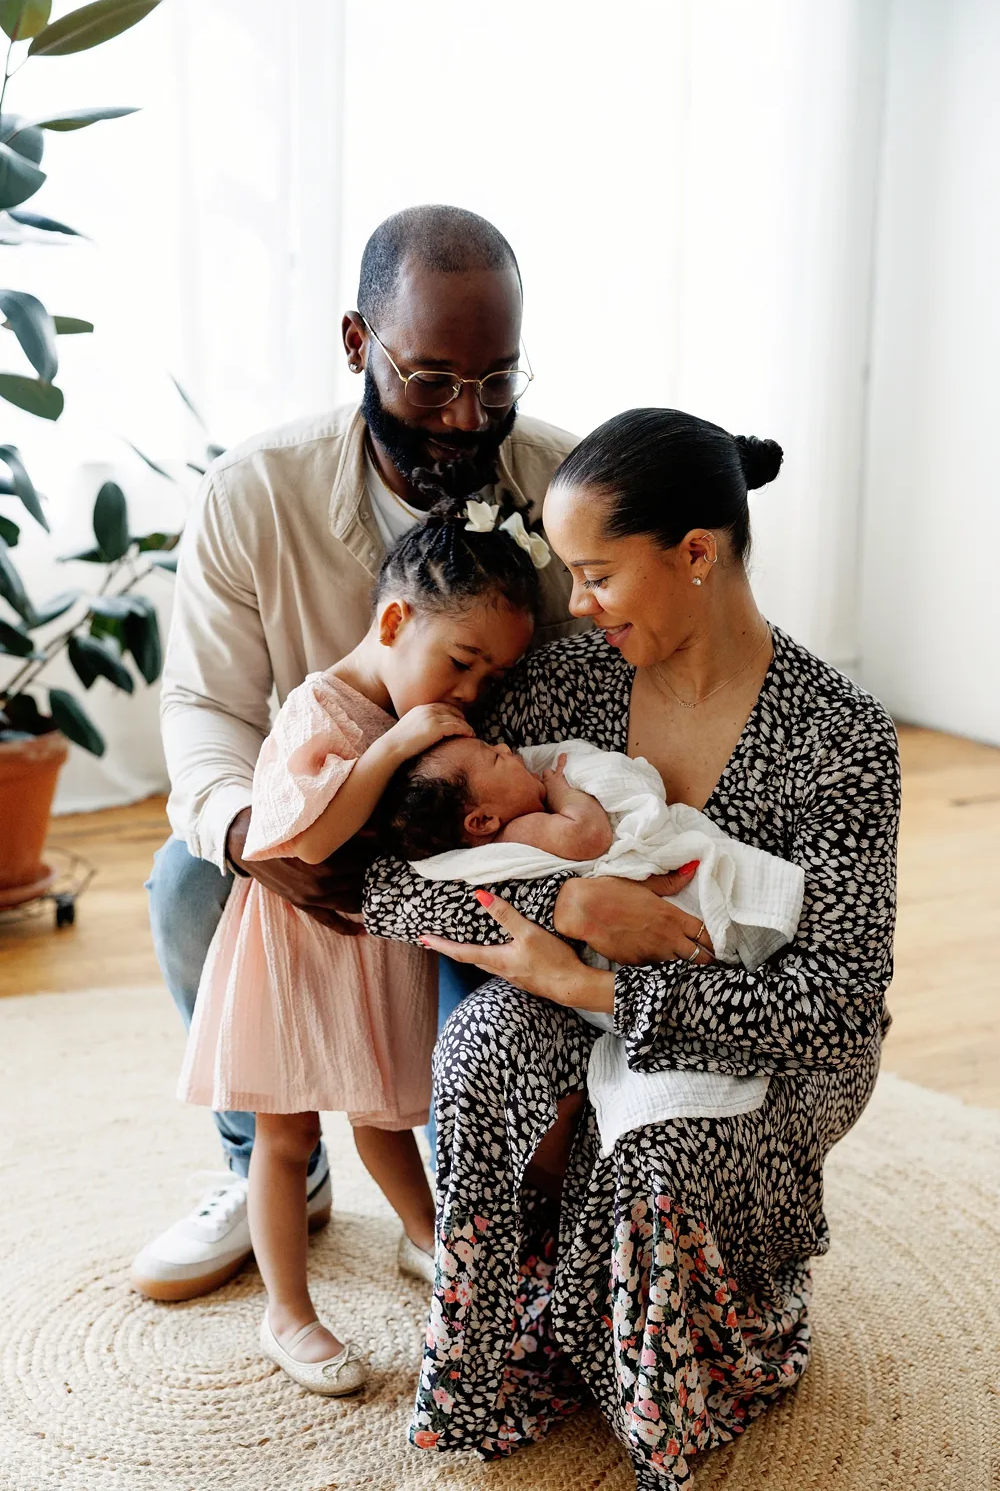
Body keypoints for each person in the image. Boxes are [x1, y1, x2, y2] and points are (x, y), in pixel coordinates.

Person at [363, 407, 901, 1490]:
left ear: (695, 552)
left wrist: (610, 991)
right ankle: (488, 1359)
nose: (575, 604)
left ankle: (672, 1374)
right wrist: (574, 908)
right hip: (579, 980)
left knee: (656, 1153)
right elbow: (394, 883)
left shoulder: (841, 738)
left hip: (763, 1031)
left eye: (597, 575)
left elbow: (840, 1004)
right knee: (477, 1058)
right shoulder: (572, 681)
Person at [133, 204, 583, 1303]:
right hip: (313, 818)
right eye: (432, 380)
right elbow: (202, 703)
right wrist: (253, 835)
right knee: (187, 884)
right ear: (356, 343)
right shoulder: (256, 491)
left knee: (489, 1007)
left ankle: (478, 1202)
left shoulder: (562, 483)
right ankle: (268, 1166)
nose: (468, 416)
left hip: (486, 829)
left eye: (497, 381)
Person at [176, 504, 542, 1393]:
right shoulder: (322, 708)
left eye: (492, 676)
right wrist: (400, 745)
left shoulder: (420, 715)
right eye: (462, 661)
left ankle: (428, 1235)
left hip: (372, 952)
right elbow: (305, 838)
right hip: (295, 955)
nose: (471, 692)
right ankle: (288, 1311)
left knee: (384, 1112)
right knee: (287, 1132)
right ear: (393, 622)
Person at [381, 738, 614, 858]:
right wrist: (561, 792)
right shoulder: (515, 833)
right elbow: (588, 835)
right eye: (495, 758)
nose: (504, 747)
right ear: (483, 821)